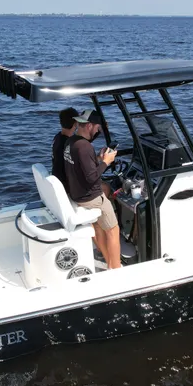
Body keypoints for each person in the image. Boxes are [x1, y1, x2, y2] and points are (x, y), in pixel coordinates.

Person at [64, 110, 121, 269]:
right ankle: (116, 268)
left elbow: (82, 167)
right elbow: (91, 178)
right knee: (113, 229)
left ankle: (108, 258)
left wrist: (97, 159)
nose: (98, 131)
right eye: (97, 128)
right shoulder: (84, 146)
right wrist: (107, 162)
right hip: (90, 198)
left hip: (77, 194)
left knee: (98, 224)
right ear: (89, 125)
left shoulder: (71, 142)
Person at [51, 107, 79, 193]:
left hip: (58, 179)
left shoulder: (58, 137)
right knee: (105, 187)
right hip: (67, 186)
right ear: (75, 123)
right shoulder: (69, 145)